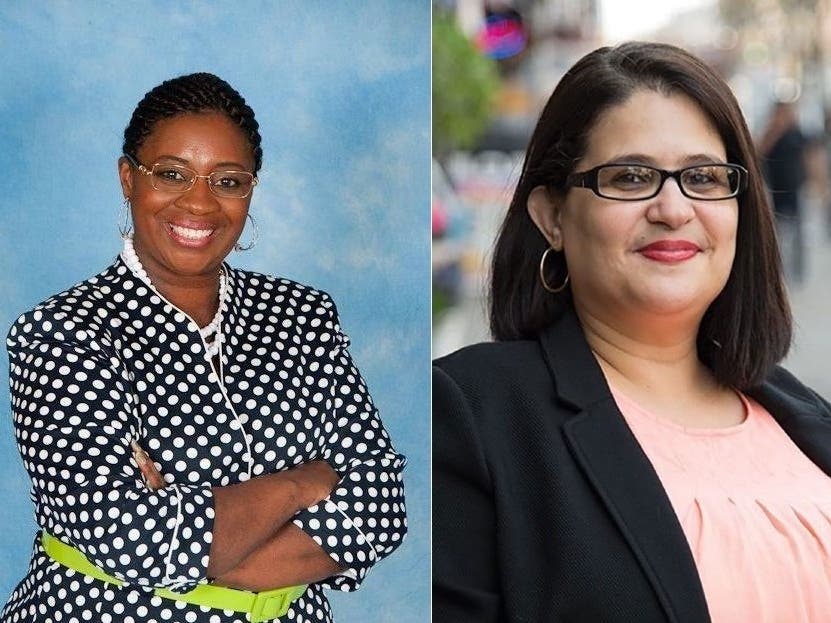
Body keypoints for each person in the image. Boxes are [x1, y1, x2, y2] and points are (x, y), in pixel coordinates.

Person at [433, 42, 831, 622]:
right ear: (552, 215)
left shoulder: (802, 413)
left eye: (704, 176)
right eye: (630, 177)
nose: (674, 207)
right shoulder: (472, 413)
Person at [2, 73, 406, 623]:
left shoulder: (303, 315)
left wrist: (195, 533)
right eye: (171, 174)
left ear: (251, 190)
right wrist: (302, 483)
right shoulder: (63, 334)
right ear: (128, 178)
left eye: (229, 181)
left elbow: (381, 506)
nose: (199, 203)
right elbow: (128, 538)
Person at [759, 101, 806, 283]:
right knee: (779, 234)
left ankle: (797, 273)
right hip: (776, 191)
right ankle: (780, 271)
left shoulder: (796, 133)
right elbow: (759, 152)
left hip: (796, 189)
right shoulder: (771, 132)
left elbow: (808, 157)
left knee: (797, 234)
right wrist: (775, 130)